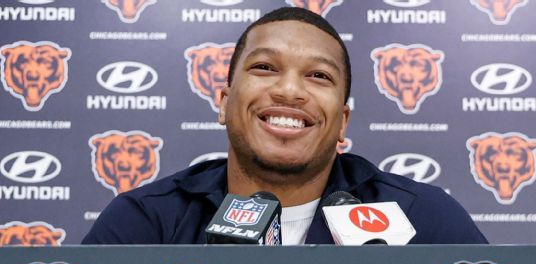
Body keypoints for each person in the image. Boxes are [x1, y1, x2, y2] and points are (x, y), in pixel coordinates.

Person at [81, 7, 487, 246]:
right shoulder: (145, 221)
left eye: (319, 77)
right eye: (264, 67)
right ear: (223, 103)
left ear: (342, 122)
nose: (290, 91)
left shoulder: (422, 217)